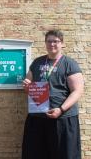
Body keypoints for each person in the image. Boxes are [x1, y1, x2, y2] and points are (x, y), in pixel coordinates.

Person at [22, 30, 84, 159]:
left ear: (62, 44)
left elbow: (77, 90)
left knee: (64, 155)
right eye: (49, 41)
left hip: (63, 118)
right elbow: (29, 87)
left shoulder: (69, 64)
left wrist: (61, 109)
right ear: (45, 43)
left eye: (55, 41)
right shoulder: (37, 62)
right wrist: (27, 86)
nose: (52, 44)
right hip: (38, 117)